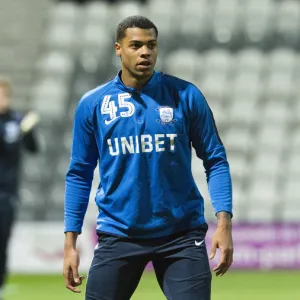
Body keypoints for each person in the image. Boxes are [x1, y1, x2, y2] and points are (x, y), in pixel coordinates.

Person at [63, 16, 233, 300]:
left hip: (181, 235)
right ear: (119, 49)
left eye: (151, 45)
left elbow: (215, 159)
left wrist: (224, 223)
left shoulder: (186, 95)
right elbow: (79, 174)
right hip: (119, 234)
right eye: (136, 45)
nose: (145, 52)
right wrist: (70, 243)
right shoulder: (93, 104)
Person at [0, 79, 39, 300]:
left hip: (7, 194)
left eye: (3, 96)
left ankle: (1, 284)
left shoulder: (17, 120)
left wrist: (28, 130)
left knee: (2, 241)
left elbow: (33, 149)